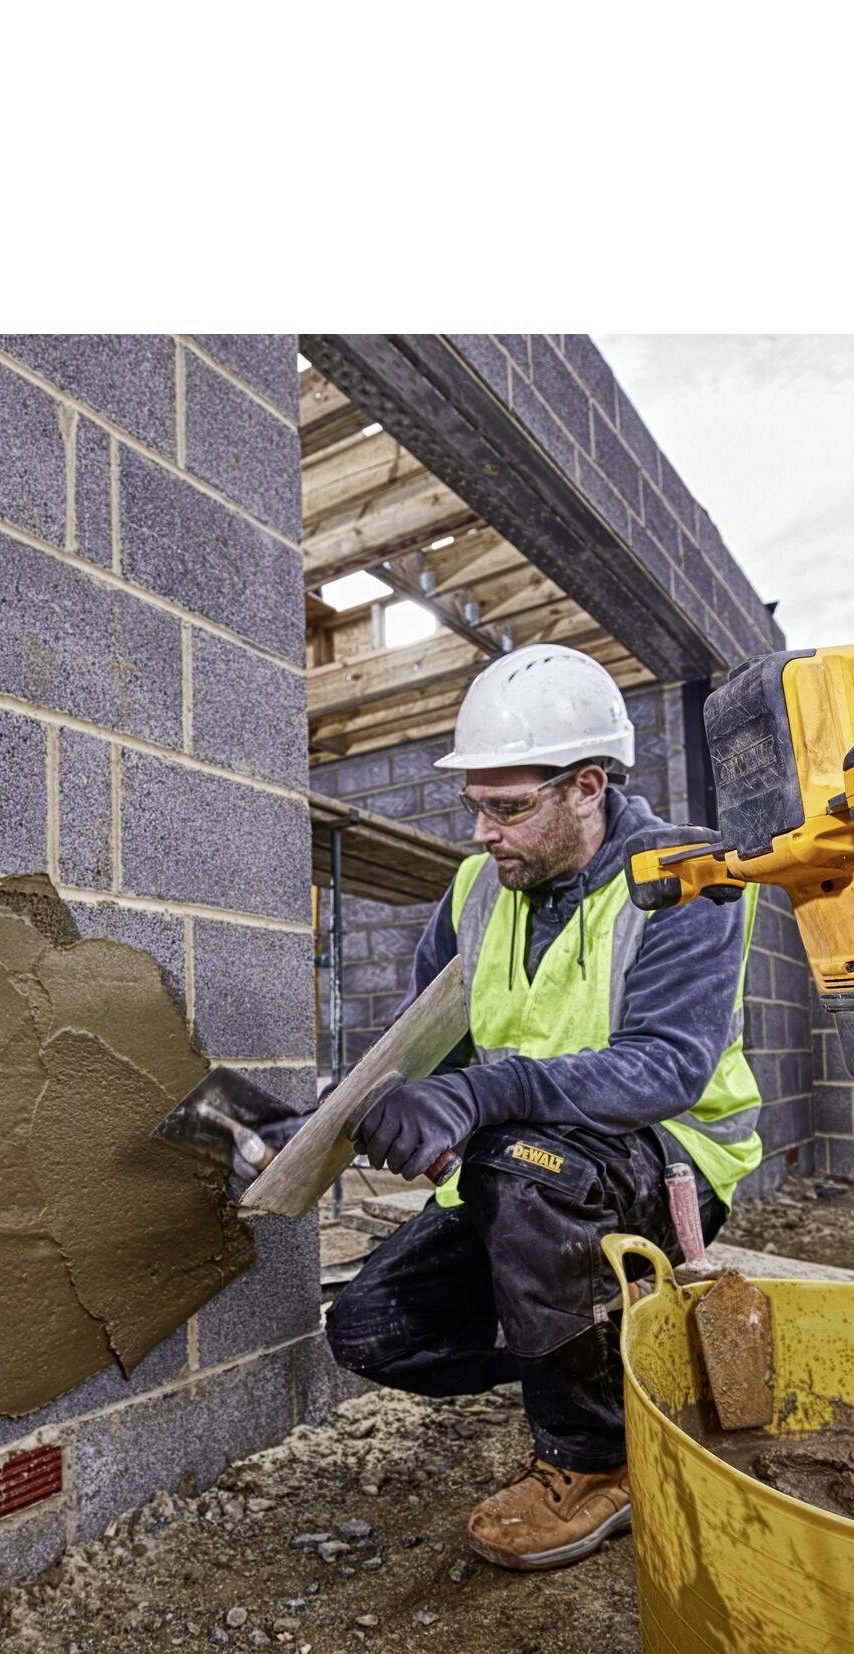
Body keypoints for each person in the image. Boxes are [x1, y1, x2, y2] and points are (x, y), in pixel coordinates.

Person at [325, 644, 762, 1570]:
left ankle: (594, 1459)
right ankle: (609, 1353)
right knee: (370, 1331)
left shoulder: (693, 874)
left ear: (588, 786)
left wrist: (482, 1095)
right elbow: (424, 1039)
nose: (484, 831)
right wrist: (330, 1119)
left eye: (508, 806)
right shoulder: (477, 889)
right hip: (526, 1175)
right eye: (475, 804)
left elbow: (668, 1068)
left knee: (522, 1166)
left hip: (664, 1161)